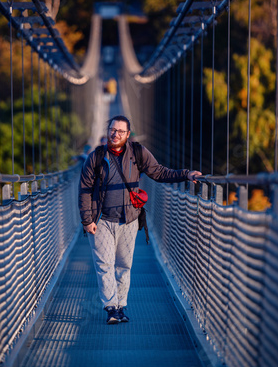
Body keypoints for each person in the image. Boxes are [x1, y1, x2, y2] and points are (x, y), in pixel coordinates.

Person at [78, 115, 202, 325]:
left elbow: (160, 173)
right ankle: (111, 309)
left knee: (124, 266)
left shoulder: (138, 153)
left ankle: (121, 306)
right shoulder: (96, 157)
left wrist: (186, 174)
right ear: (108, 131)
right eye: (112, 130)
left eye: (120, 131)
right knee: (104, 265)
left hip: (129, 220)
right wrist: (87, 220)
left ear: (127, 135)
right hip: (102, 221)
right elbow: (85, 190)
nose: (115, 134)